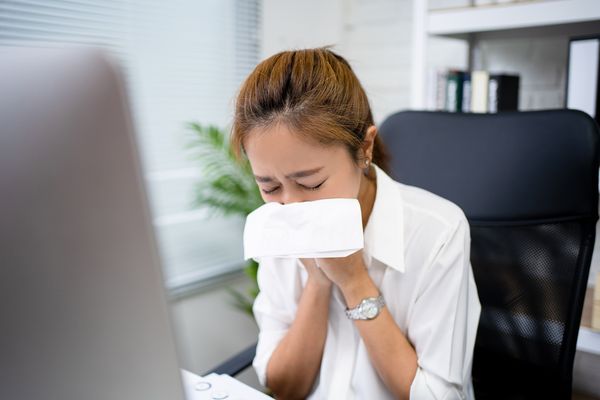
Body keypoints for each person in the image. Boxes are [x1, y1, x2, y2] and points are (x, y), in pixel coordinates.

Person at [230, 47, 481, 400]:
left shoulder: (438, 232)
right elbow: (283, 389)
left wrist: (353, 280)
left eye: (311, 183)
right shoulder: (279, 224)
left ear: (364, 147)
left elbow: (439, 396)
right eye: (269, 186)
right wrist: (318, 279)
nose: (291, 204)